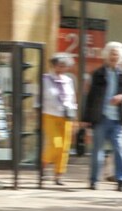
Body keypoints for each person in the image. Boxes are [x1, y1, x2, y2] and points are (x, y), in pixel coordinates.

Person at [82, 41, 122, 191]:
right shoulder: (98, 73)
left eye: (116, 54)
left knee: (119, 149)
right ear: (106, 55)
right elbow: (90, 97)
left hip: (117, 120)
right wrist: (86, 120)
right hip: (101, 118)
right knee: (97, 151)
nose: (113, 57)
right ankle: (94, 180)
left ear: (120, 57)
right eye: (111, 54)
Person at [41, 53, 77, 186]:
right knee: (56, 143)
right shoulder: (45, 79)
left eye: (64, 66)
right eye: (59, 65)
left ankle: (59, 174)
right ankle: (43, 164)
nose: (61, 68)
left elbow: (72, 99)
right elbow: (38, 97)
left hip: (66, 116)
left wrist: (74, 115)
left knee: (65, 146)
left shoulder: (68, 80)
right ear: (53, 65)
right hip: (50, 114)